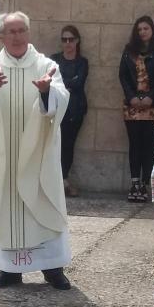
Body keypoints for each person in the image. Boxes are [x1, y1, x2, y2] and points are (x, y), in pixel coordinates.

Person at [0, 11, 72, 290]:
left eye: (21, 30)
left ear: (29, 33)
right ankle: (10, 270)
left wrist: (47, 92)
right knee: (6, 207)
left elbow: (62, 97)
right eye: (11, 32)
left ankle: (53, 268)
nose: (17, 36)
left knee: (43, 202)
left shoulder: (45, 65)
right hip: (4, 154)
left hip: (37, 153)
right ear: (1, 36)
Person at [118, 15, 154, 202]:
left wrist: (151, 96)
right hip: (132, 105)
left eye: (146, 28)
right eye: (139, 29)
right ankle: (134, 183)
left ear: (152, 30)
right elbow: (123, 76)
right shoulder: (129, 50)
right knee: (134, 143)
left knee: (149, 144)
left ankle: (145, 184)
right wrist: (131, 97)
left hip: (153, 104)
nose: (142, 32)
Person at [50, 25, 89, 198]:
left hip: (75, 109)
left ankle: (63, 179)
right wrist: (68, 82)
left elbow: (79, 83)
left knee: (68, 145)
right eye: (64, 39)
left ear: (77, 41)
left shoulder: (82, 62)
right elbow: (52, 81)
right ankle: (55, 181)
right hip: (56, 108)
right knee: (54, 145)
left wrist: (62, 83)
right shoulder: (54, 60)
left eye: (71, 39)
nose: (67, 43)